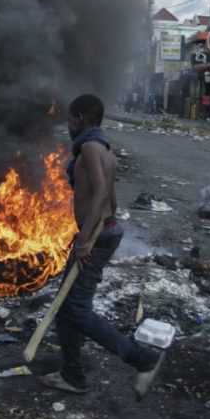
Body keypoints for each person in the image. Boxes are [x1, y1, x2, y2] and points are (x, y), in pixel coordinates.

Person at [40, 94, 163, 398]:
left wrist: (86, 239)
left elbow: (97, 194)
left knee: (77, 310)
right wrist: (100, 227)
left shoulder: (92, 148)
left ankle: (143, 359)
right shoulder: (105, 149)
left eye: (70, 119)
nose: (68, 126)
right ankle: (72, 374)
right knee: (66, 307)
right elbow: (111, 198)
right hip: (102, 232)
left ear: (80, 118)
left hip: (95, 237)